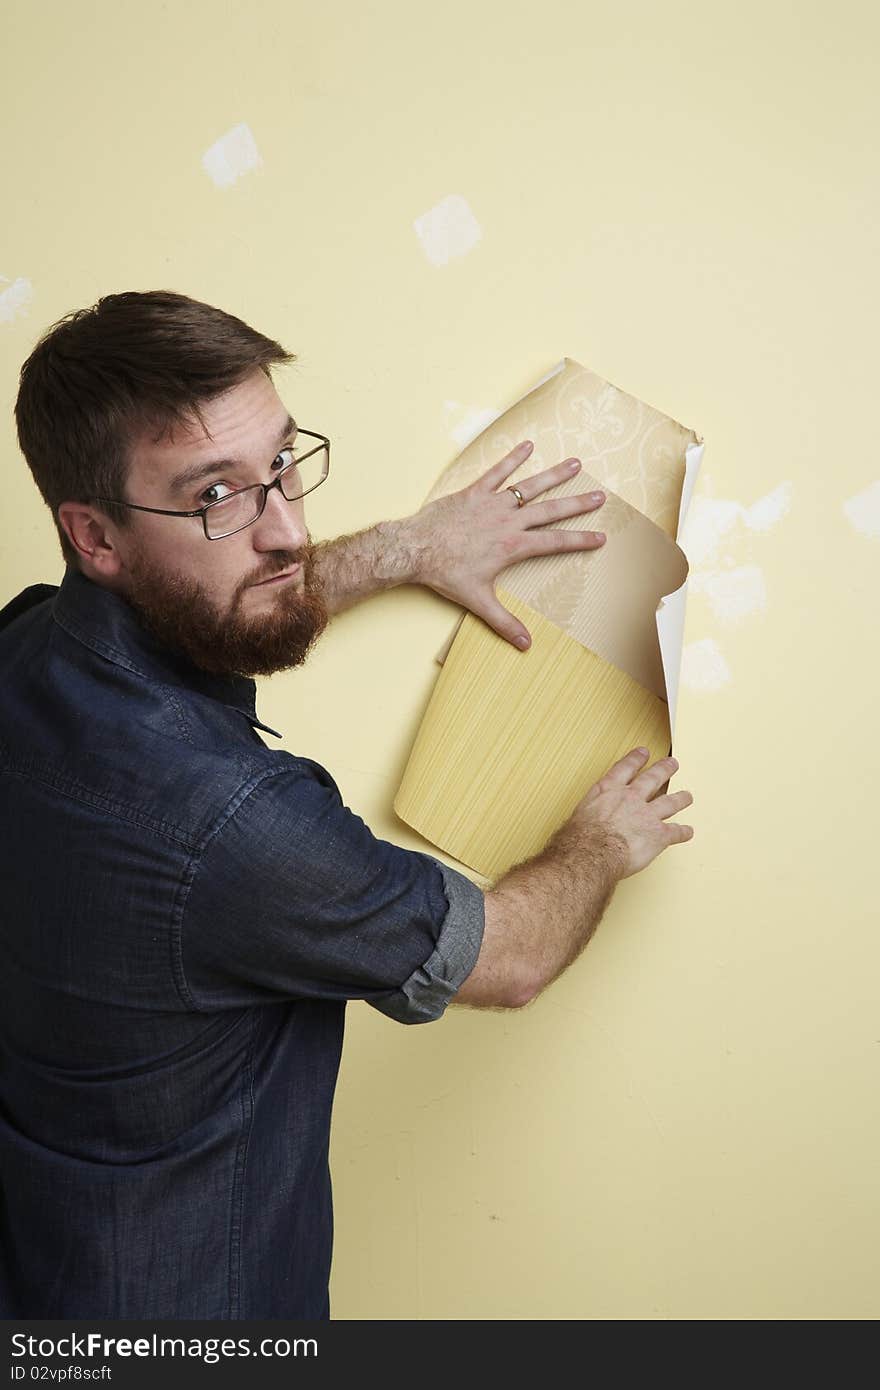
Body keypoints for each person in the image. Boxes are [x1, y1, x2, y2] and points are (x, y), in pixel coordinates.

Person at [0, 290, 694, 1319]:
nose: (286, 527)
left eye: (281, 463)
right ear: (94, 536)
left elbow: (216, 608)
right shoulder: (235, 825)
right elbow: (503, 957)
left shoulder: (26, 648)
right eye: (215, 496)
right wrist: (596, 841)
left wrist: (407, 547)